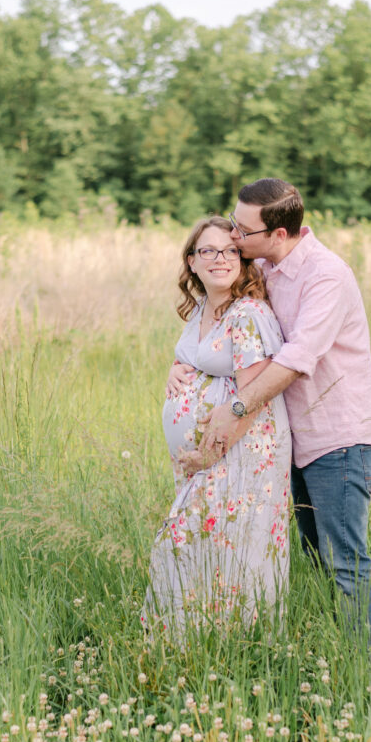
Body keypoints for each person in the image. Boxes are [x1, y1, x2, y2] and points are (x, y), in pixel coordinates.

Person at [174, 179, 371, 637]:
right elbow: (224, 327)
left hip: (337, 438)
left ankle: (367, 663)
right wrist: (180, 362)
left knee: (344, 560)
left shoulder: (326, 275)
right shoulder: (266, 267)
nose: (232, 238)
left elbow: (297, 357)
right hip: (294, 439)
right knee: (311, 553)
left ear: (279, 234)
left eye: (242, 232)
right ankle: (330, 644)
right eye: (232, 223)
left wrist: (235, 407)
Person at [141, 216, 292, 643]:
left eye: (230, 250)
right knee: (208, 547)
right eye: (208, 251)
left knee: (204, 544)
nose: (221, 258)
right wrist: (177, 369)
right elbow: (204, 359)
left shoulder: (248, 314)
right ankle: (203, 643)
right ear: (192, 261)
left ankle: (237, 643)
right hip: (206, 458)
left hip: (239, 453)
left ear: (243, 260)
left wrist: (210, 452)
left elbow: (254, 396)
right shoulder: (205, 309)